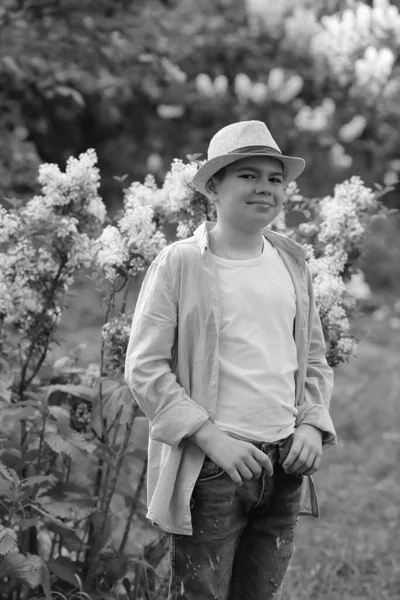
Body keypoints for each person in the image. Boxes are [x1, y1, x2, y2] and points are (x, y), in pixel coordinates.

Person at [124, 120, 337, 600]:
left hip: (285, 463)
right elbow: (145, 367)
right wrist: (209, 438)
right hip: (213, 468)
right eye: (248, 175)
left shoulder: (291, 263)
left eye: (275, 178)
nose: (265, 187)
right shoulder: (181, 264)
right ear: (214, 188)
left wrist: (310, 425)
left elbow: (315, 360)